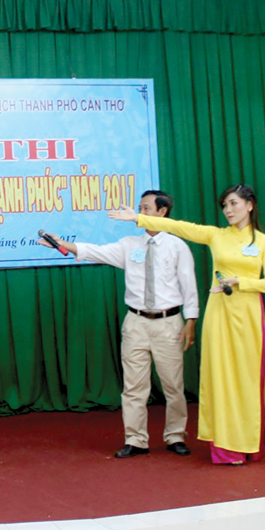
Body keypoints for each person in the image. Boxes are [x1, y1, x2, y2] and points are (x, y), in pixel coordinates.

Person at [110, 184, 265, 465]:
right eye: (225, 205)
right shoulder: (216, 235)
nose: (228, 210)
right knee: (220, 378)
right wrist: (138, 218)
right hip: (219, 314)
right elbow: (179, 227)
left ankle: (248, 441)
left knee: (248, 378)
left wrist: (241, 282)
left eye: (234, 204)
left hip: (249, 315)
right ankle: (226, 446)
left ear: (250, 205)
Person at [40, 190, 198, 459]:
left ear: (162, 212)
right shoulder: (129, 245)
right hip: (135, 322)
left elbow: (189, 285)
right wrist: (63, 244)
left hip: (168, 322)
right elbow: (97, 252)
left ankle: (175, 436)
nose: (140, 213)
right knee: (134, 386)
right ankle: (135, 440)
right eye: (140, 208)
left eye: (146, 208)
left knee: (173, 385)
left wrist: (190, 320)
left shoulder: (177, 246)